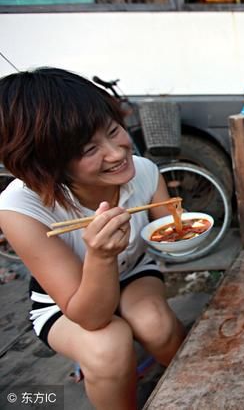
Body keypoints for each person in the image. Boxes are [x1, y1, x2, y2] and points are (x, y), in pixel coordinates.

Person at [0, 68, 186, 410]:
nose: (116, 153)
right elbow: (92, 318)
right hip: (65, 304)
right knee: (108, 346)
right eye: (89, 149)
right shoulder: (19, 208)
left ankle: (197, 389)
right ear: (47, 165)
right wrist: (100, 257)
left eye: (114, 131)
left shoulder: (143, 171)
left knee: (157, 326)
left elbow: (171, 233)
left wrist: (182, 235)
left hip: (132, 272)